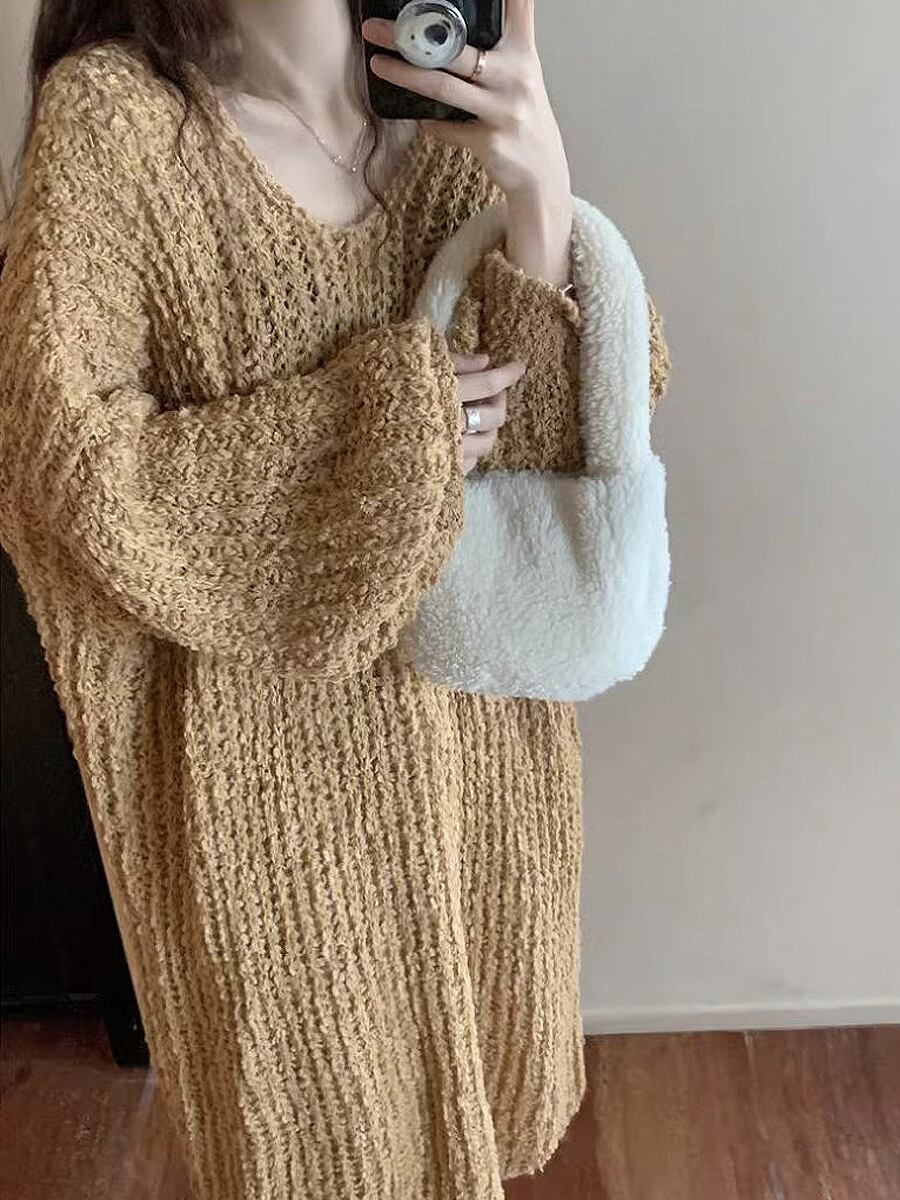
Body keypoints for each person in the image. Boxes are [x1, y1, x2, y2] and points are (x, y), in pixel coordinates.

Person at [0, 2, 670, 1197]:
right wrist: (383, 428)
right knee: (328, 1151)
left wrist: (540, 196)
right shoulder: (118, 123)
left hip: (481, 755)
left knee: (488, 1107)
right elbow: (67, 477)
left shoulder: (446, 106)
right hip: (270, 799)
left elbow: (572, 443)